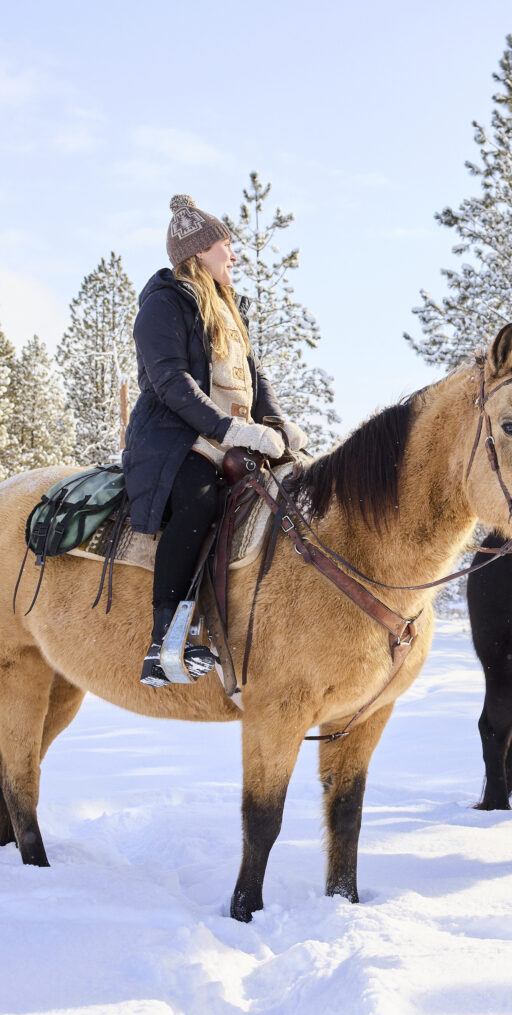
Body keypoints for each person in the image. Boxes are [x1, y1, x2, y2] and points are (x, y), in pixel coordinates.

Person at [124, 194, 308, 687]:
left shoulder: (230, 309)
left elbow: (254, 380)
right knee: (199, 501)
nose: (233, 253)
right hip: (176, 441)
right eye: (225, 244)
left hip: (235, 440)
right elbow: (170, 383)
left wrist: (276, 423)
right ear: (198, 251)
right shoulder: (163, 306)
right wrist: (230, 431)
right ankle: (165, 640)